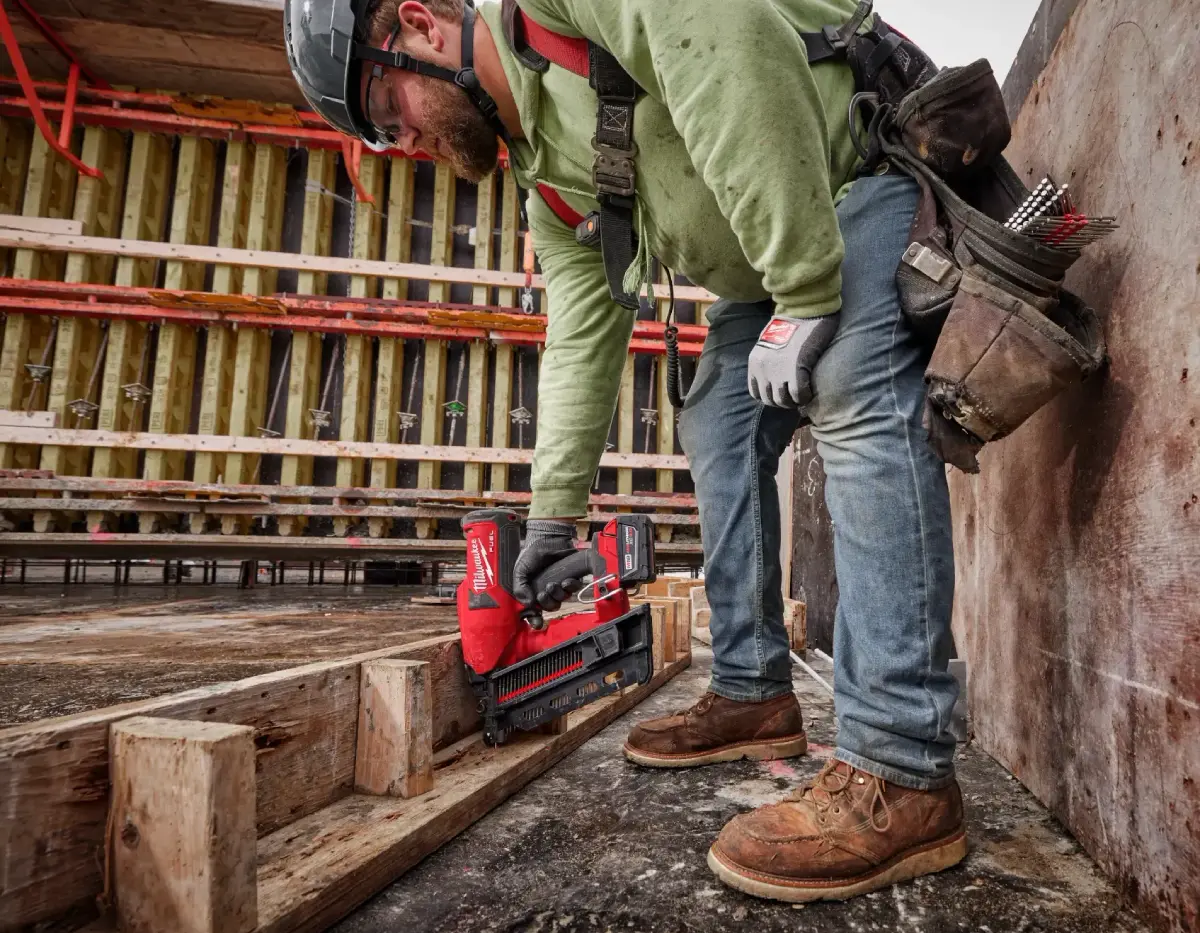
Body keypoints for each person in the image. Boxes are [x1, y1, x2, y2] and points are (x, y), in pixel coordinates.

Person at [285, 0, 966, 902]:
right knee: (717, 421)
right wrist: (553, 515)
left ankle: (905, 768)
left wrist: (805, 288)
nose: (402, 139)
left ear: (417, 24)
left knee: (849, 381)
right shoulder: (547, 178)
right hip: (772, 268)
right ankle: (755, 691)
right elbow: (579, 332)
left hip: (859, 180)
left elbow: (723, 38)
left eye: (385, 108)